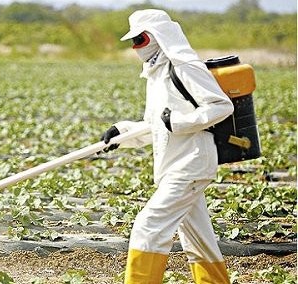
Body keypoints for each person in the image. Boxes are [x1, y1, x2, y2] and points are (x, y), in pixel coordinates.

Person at [100, 9, 234, 284]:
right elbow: (156, 125)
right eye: (133, 41)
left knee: (148, 228)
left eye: (140, 39)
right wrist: (123, 132)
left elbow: (222, 106)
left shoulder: (184, 66)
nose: (136, 47)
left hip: (191, 163)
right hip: (174, 165)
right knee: (199, 239)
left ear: (158, 36)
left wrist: (181, 122)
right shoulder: (156, 74)